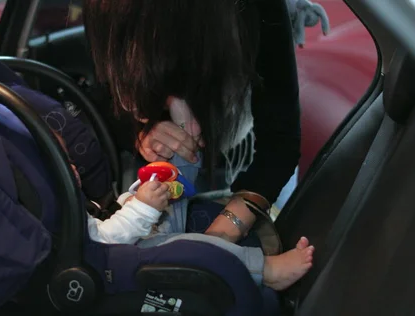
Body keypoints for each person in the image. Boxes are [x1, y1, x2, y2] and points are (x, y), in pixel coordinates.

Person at [83, 0, 301, 243]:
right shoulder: (109, 10)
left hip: (244, 157)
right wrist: (138, 133)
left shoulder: (255, 11)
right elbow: (99, 98)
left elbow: (280, 140)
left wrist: (228, 228)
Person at [53, 132, 314, 291]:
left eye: (70, 160)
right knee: (185, 247)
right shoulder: (57, 216)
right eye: (63, 163)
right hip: (120, 264)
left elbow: (104, 221)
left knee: (173, 179)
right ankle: (263, 270)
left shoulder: (67, 201)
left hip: (131, 236)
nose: (73, 168)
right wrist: (141, 209)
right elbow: (99, 241)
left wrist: (134, 198)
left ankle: (188, 144)